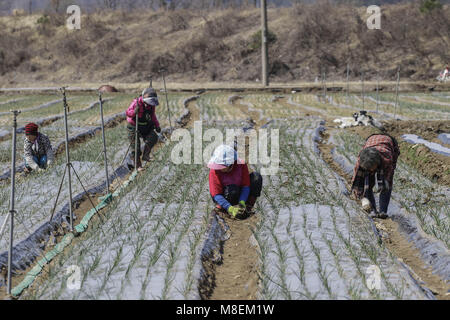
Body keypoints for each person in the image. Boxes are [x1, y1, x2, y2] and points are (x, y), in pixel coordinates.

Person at [351, 134, 400, 219]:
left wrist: (385, 183)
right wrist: (359, 193)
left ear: (377, 163)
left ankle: (383, 211)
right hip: (371, 140)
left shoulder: (387, 158)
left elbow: (388, 176)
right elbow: (356, 178)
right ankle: (373, 210)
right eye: (368, 169)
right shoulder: (361, 160)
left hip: (389, 142)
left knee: (386, 185)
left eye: (372, 168)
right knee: (368, 183)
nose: (370, 170)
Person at [208, 144, 263, 219]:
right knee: (232, 190)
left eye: (222, 166)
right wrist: (230, 208)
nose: (219, 168)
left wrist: (242, 201)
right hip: (225, 195)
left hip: (239, 192)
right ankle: (224, 210)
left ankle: (247, 208)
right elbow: (216, 194)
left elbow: (245, 186)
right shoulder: (214, 171)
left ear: (231, 163)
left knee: (256, 177)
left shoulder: (241, 164)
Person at [126, 88, 161, 171]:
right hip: (134, 126)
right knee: (136, 147)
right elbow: (128, 112)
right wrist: (134, 112)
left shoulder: (151, 106)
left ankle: (146, 155)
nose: (149, 105)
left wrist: (157, 125)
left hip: (145, 125)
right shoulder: (136, 103)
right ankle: (138, 165)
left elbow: (152, 116)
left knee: (153, 137)